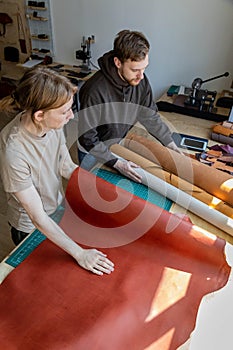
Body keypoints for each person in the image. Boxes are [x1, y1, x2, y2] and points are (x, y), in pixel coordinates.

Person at [0, 66, 114, 276]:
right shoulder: (14, 152)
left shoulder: (53, 124)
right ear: (40, 115)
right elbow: (37, 217)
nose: (71, 116)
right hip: (29, 226)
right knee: (39, 278)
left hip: (56, 207)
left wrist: (104, 191)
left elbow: (66, 166)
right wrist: (80, 254)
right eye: (64, 112)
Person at [77, 29, 182, 183]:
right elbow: (88, 137)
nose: (141, 75)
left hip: (115, 145)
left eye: (144, 68)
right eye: (135, 70)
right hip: (91, 151)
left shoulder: (140, 80)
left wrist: (169, 143)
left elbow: (149, 115)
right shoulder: (94, 90)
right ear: (118, 62)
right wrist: (116, 163)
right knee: (90, 193)